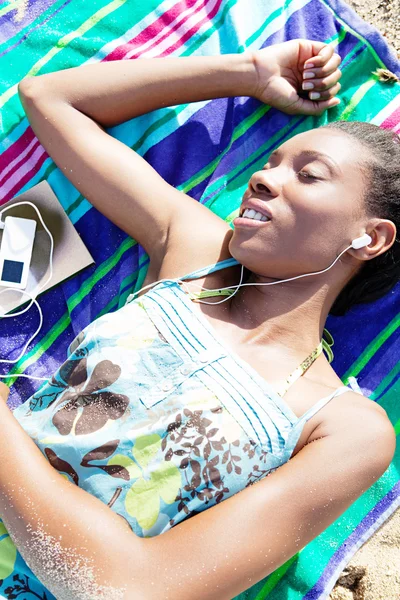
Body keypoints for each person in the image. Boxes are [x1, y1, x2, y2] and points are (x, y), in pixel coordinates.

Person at [0, 39, 397, 600]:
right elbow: (50, 98)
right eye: (270, 162)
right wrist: (250, 72)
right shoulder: (198, 258)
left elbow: (127, 591)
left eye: (309, 175)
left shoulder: (345, 427)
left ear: (370, 237)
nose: (262, 178)